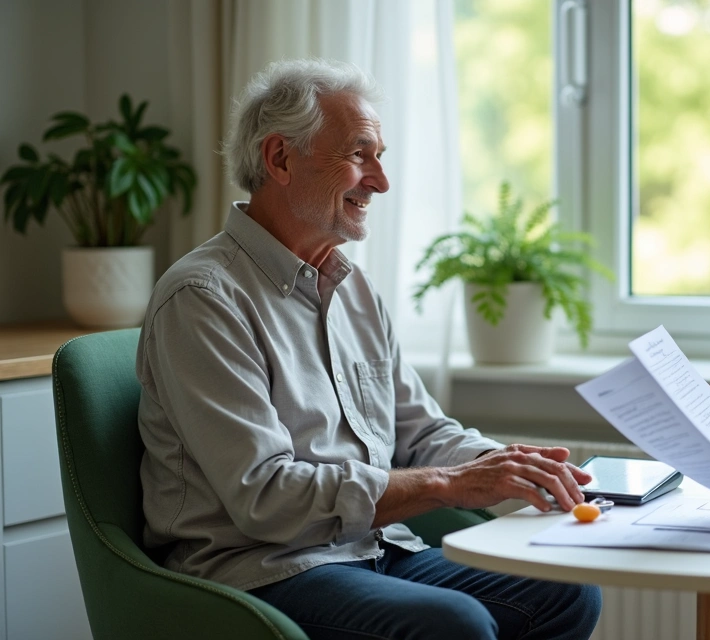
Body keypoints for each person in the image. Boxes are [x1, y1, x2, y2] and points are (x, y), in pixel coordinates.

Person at [135, 59, 601, 640]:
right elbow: (266, 496)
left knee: (567, 594)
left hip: (376, 549)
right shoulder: (203, 298)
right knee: (453, 625)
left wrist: (519, 469)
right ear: (280, 158)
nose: (380, 181)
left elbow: (421, 432)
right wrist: (447, 485)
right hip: (261, 571)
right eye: (360, 155)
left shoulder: (351, 287)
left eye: (379, 157)